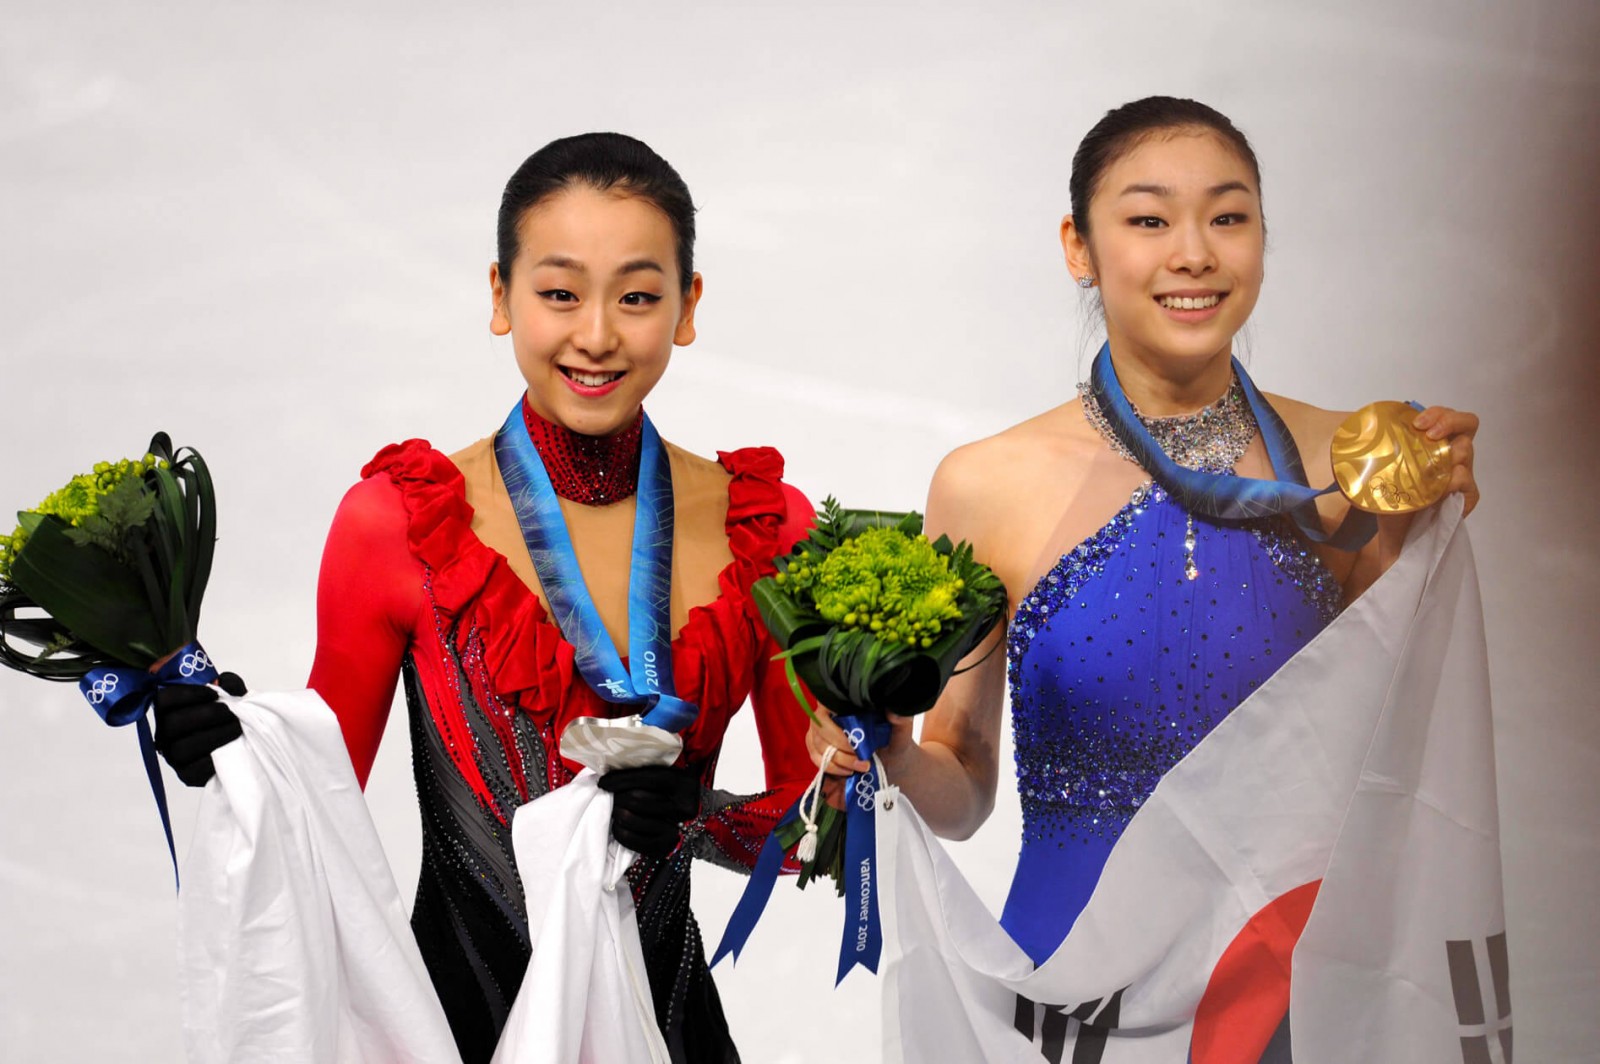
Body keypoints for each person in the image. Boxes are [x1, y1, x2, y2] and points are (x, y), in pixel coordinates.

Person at [158, 132, 816, 1064]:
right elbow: (319, 804)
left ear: (687, 305)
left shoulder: (766, 529)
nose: (596, 334)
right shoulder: (398, 524)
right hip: (454, 1028)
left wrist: (698, 816)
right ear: (501, 298)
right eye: (558, 293)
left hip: (667, 1029)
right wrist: (228, 746)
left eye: (636, 295)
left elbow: (816, 829)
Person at [806, 96, 1481, 967]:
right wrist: (891, 750)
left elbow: (1399, 749)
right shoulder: (987, 485)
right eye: (1150, 219)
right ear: (1078, 248)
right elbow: (965, 782)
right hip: (1070, 982)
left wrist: (1425, 523)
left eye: (1228, 217)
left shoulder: (1350, 463)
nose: (1194, 252)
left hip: (1287, 978)